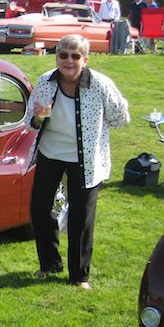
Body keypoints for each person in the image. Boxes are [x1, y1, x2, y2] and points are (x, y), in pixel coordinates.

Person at [26, 34, 129, 290]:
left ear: (85, 59)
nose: (68, 61)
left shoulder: (100, 84)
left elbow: (121, 117)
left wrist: (100, 128)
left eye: (75, 56)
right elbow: (32, 120)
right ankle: (50, 264)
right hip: (51, 153)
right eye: (63, 55)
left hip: (87, 159)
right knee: (40, 209)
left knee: (80, 218)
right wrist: (39, 117)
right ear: (57, 57)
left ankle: (79, 276)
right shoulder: (46, 82)